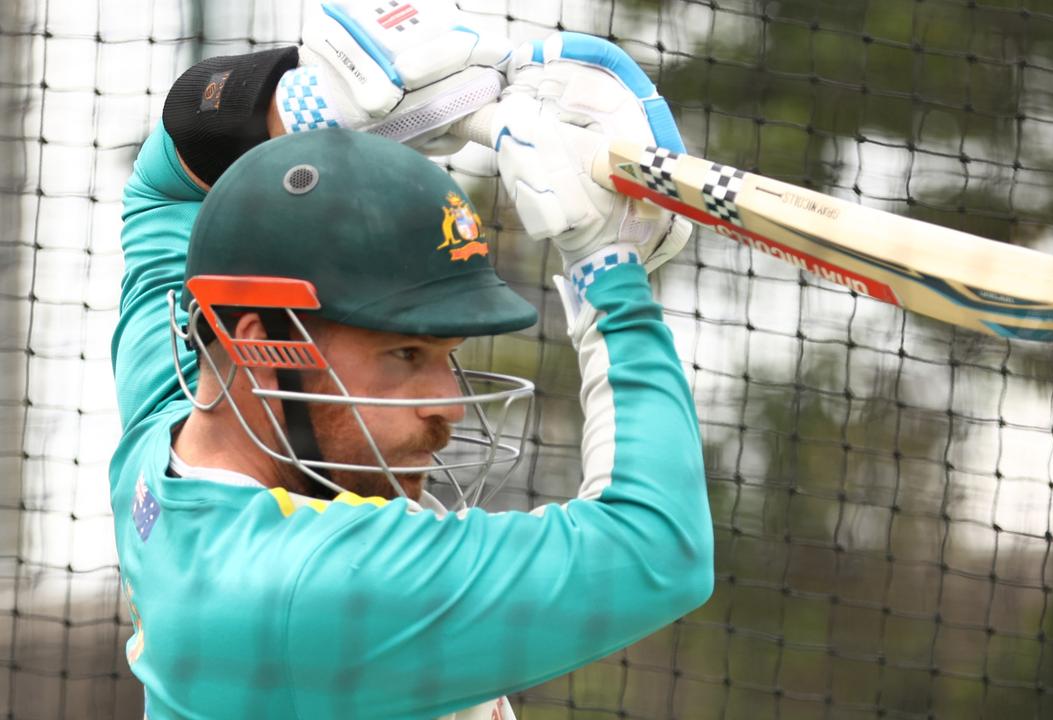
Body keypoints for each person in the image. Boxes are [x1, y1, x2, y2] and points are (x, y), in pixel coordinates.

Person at [108, 2, 713, 717]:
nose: (447, 406)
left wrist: (304, 98)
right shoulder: (307, 587)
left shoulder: (170, 442)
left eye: (445, 354)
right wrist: (608, 275)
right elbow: (658, 548)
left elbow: (164, 184)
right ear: (262, 344)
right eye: (404, 353)